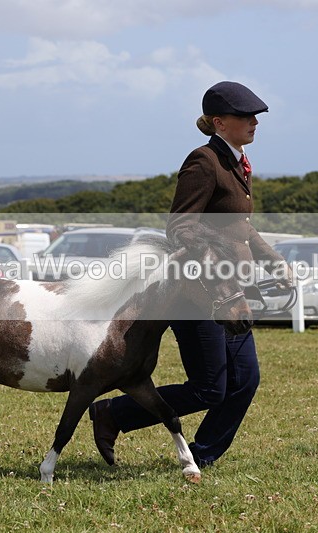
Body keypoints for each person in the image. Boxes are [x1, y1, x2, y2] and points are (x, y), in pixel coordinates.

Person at [89, 81, 291, 468]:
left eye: (255, 117)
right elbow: (179, 226)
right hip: (199, 293)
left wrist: (273, 260)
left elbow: (241, 226)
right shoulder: (203, 161)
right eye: (245, 117)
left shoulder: (237, 162)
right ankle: (113, 413)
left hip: (231, 290)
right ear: (219, 122)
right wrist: (211, 253)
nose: (253, 123)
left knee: (244, 381)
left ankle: (202, 454)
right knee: (209, 390)